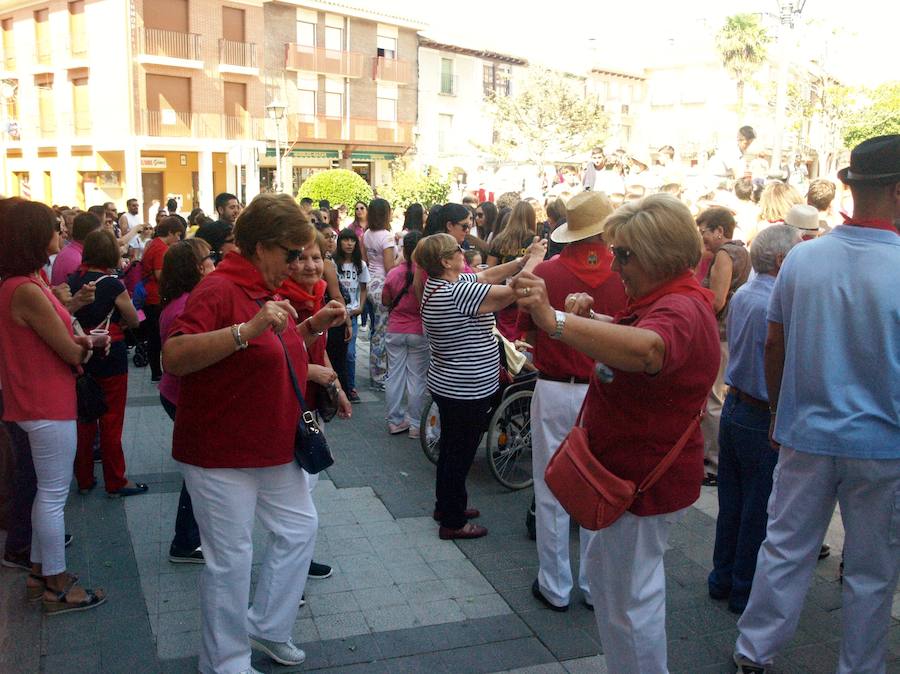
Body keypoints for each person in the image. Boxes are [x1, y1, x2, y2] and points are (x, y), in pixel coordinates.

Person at [513, 193, 719, 673]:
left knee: (629, 602)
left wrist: (557, 321)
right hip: (628, 478)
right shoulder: (670, 300)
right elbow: (644, 342)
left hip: (638, 481)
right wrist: (591, 321)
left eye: (623, 255)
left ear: (656, 254)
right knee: (617, 594)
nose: (614, 265)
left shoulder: (680, 307)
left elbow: (650, 349)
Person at [733, 135, 900, 674]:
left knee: (784, 549)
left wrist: (781, 414)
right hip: (883, 445)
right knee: (873, 570)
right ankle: (860, 666)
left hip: (805, 432)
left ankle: (754, 654)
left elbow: (774, 344)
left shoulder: (803, 258)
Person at [162, 193, 346, 673]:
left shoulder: (262, 288)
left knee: (298, 528)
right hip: (220, 451)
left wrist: (308, 330)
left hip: (269, 443)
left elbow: (270, 351)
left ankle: (266, 626)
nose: (299, 264)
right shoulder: (220, 289)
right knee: (231, 559)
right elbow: (175, 356)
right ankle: (224, 662)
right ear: (263, 247)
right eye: (292, 253)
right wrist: (245, 330)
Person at [517, 191, 627, 612]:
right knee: (598, 487)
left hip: (555, 386)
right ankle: (595, 586)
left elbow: (527, 332)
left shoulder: (546, 271)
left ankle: (555, 585)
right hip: (605, 389)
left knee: (550, 485)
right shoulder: (626, 274)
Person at [0, 197, 106, 614]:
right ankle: (57, 585)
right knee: (51, 495)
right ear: (32, 235)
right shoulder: (24, 288)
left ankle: (40, 572)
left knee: (48, 491)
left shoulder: (24, 282)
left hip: (37, 399)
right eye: (54, 226)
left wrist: (81, 338)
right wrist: (88, 345)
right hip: (45, 402)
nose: (61, 232)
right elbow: (68, 350)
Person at [415, 233, 547, 540]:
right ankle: (453, 521)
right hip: (466, 389)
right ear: (446, 261)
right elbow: (511, 292)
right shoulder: (456, 294)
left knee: (451, 450)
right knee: (458, 454)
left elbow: (486, 275)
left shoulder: (441, 285)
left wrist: (522, 260)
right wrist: (537, 259)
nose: (463, 252)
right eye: (457, 250)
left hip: (450, 384)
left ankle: (447, 505)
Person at [707, 225, 801, 616]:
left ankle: (722, 577)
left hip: (736, 407)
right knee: (756, 509)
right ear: (782, 260)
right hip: (760, 412)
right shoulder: (775, 301)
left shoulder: (746, 293)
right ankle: (743, 589)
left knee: (732, 501)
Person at [68, 230, 146, 498]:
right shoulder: (112, 284)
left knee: (85, 416)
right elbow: (134, 319)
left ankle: (84, 478)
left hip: (80, 350)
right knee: (111, 419)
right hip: (110, 353)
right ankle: (116, 481)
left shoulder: (73, 279)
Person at [158, 239, 215, 564]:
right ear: (196, 267)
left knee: (197, 472)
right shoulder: (185, 306)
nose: (214, 264)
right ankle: (186, 540)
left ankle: (188, 538)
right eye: (209, 259)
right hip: (184, 395)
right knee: (199, 472)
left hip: (178, 393)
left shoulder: (184, 301)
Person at [697, 207, 751, 485]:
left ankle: (714, 465)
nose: (701, 236)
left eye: (704, 230)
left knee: (714, 399)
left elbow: (716, 300)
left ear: (720, 231)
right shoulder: (741, 251)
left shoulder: (724, 254)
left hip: (719, 334)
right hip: (730, 332)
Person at [382, 231, 428, 438]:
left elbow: (385, 300)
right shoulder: (426, 275)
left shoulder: (393, 273)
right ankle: (416, 425)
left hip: (395, 329)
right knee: (417, 378)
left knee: (395, 376)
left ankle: (395, 421)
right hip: (419, 330)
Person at [141, 217, 185, 382]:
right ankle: (157, 372)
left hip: (150, 295)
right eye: (178, 235)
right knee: (156, 336)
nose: (178, 239)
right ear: (171, 233)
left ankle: (155, 370)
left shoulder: (153, 244)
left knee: (153, 335)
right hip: (155, 296)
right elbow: (160, 275)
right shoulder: (161, 249)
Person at [488, 201, 538, 341]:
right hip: (525, 294)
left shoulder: (499, 239)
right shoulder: (534, 241)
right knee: (522, 336)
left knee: (504, 335)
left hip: (502, 295)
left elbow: (490, 269)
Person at [362, 198, 396, 391]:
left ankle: (375, 374)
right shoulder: (387, 237)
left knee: (376, 331)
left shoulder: (366, 234)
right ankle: (380, 376)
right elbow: (390, 267)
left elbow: (364, 260)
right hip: (383, 285)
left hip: (370, 284)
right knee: (382, 333)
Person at [334, 228, 369, 403]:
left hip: (352, 313)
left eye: (352, 240)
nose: (349, 244)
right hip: (336, 314)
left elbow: (363, 288)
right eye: (345, 240)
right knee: (335, 351)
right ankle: (336, 387)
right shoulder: (333, 263)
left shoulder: (360, 265)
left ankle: (351, 387)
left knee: (350, 353)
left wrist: (361, 307)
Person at [50, 211, 102, 286]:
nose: (101, 238)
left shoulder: (71, 252)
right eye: (99, 234)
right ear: (92, 235)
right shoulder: (76, 259)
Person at [196, 192, 240, 262]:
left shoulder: (236, 228)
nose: (236, 211)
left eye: (238, 207)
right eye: (232, 207)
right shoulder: (210, 230)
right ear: (221, 210)